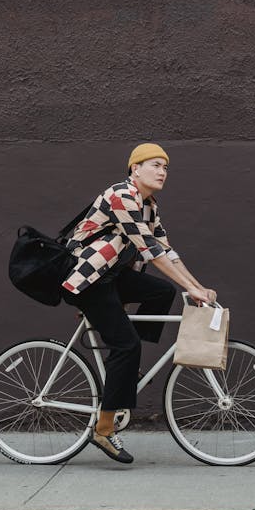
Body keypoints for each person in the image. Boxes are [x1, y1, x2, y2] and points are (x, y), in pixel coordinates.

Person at [61, 142, 218, 463]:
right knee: (126, 345)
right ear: (135, 169)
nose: (162, 172)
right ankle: (103, 430)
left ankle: (126, 368)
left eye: (165, 167)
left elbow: (167, 249)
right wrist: (193, 288)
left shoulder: (149, 205)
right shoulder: (122, 195)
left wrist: (197, 287)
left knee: (162, 292)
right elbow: (149, 250)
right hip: (89, 278)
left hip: (111, 275)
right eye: (155, 165)